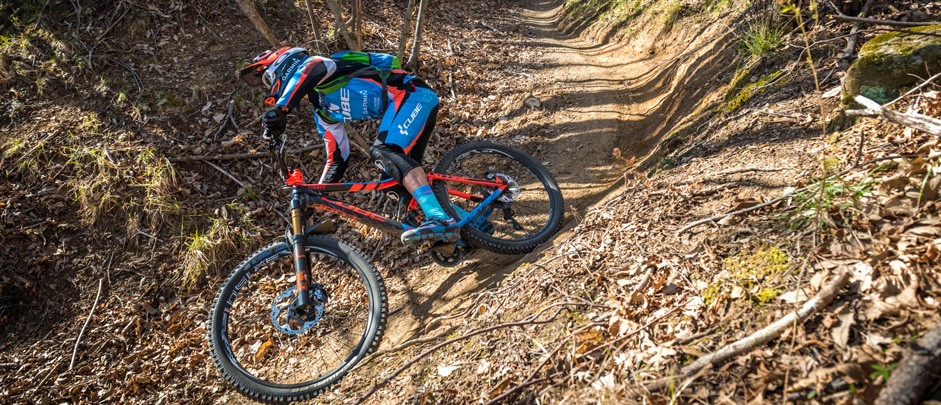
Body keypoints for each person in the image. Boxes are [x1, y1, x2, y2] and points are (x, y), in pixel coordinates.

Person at [239, 47, 458, 247]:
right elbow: (337, 159)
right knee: (391, 179)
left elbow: (313, 68)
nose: (268, 87)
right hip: (407, 103)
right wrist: (316, 194)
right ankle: (465, 226)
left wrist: (282, 108)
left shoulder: (326, 67)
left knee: (384, 151)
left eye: (267, 79)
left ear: (280, 66)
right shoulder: (324, 111)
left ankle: (438, 218)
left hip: (412, 94)